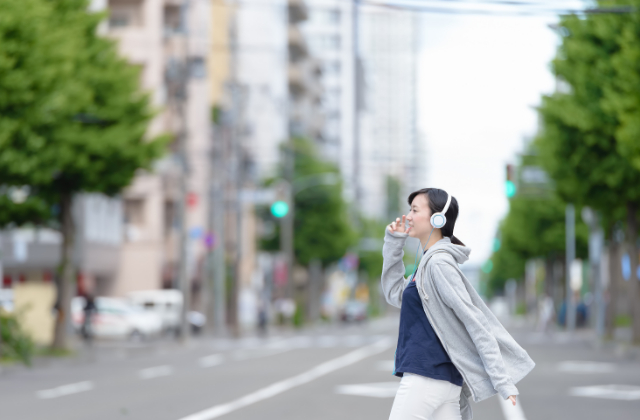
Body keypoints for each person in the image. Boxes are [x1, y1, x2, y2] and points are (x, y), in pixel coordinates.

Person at [382, 188, 535, 420]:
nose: (408, 216)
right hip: (445, 383)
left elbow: (474, 320)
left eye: (414, 210)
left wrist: (502, 380)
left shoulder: (438, 264)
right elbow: (395, 293)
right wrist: (394, 243)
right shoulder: (426, 264)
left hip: (425, 378)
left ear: (437, 218)